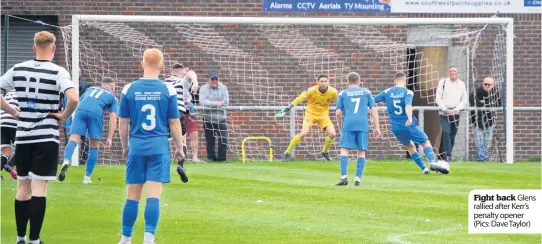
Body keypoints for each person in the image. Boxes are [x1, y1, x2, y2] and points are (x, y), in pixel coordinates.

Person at [0, 31, 79, 244]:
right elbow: (73, 98)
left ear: (34, 47)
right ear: (53, 49)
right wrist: (63, 116)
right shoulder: (58, 71)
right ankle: (34, 240)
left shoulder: (18, 68)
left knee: (22, 187)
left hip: (23, 136)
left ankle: (20, 239)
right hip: (46, 136)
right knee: (39, 189)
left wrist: (13, 112)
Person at [117, 48, 184, 244]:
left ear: (142, 64)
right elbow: (174, 122)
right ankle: (148, 238)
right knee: (153, 195)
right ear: (162, 66)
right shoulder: (168, 89)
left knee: (132, 196)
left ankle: (125, 238)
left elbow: (123, 122)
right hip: (159, 148)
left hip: (137, 146)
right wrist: (180, 148)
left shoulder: (129, 89)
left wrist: (125, 145)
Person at [374, 72, 448, 174]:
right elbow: (407, 105)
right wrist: (409, 118)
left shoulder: (387, 92)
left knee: (410, 147)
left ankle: (424, 169)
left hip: (395, 127)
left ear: (394, 80)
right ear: (405, 81)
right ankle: (432, 162)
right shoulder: (408, 92)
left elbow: (373, 100)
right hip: (408, 124)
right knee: (425, 141)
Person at [58, 77, 119, 184]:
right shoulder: (113, 98)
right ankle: (86, 178)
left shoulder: (90, 89)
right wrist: (109, 137)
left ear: (102, 85)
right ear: (112, 88)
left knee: (74, 138)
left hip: (80, 110)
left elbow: (79, 101)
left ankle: (66, 161)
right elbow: (113, 118)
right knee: (94, 145)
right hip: (95, 113)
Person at [277, 74, 338, 162]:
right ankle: (286, 153)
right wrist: (288, 107)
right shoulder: (311, 90)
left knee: (332, 134)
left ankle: (324, 152)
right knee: (303, 133)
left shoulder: (333, 92)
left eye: (325, 81)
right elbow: (299, 99)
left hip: (323, 116)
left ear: (328, 82)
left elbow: (340, 102)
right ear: (318, 82)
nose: (323, 83)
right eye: (321, 81)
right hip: (310, 114)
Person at [335, 72, 380, 186]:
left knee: (344, 149)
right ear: (359, 81)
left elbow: (338, 112)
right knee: (361, 151)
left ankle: (344, 177)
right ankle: (357, 179)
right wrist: (377, 127)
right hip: (362, 123)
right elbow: (374, 109)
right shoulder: (366, 92)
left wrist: (340, 126)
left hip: (349, 123)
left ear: (347, 82)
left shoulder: (343, 93)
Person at [164, 63, 196, 182]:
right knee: (181, 140)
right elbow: (191, 74)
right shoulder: (183, 81)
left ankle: (163, 170)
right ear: (183, 73)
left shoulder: (163, 82)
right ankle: (180, 166)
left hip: (164, 113)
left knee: (164, 140)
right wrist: (195, 83)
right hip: (178, 112)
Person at [435, 66, 468, 161]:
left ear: (457, 73)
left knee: (452, 134)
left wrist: (456, 110)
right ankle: (448, 155)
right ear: (449, 72)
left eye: (455, 71)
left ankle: (441, 155)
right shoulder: (443, 82)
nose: (453, 72)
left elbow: (464, 99)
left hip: (456, 113)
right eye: (451, 71)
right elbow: (438, 98)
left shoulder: (461, 84)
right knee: (446, 132)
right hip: (444, 113)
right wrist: (446, 109)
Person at [199, 72, 229, 162]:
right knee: (210, 140)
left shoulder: (223, 88)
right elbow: (202, 102)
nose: (214, 81)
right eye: (212, 79)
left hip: (221, 117)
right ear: (208, 80)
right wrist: (216, 104)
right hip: (208, 117)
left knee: (224, 138)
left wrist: (210, 103)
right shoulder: (203, 88)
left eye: (216, 79)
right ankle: (211, 158)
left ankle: (221, 159)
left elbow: (226, 102)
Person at [470, 77, 501, 162]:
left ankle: (485, 157)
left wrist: (485, 103)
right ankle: (481, 158)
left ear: (493, 85)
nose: (488, 86)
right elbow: (475, 103)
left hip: (489, 121)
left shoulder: (495, 92)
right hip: (477, 120)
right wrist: (489, 103)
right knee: (480, 141)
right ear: (483, 84)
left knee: (488, 141)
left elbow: (498, 104)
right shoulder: (476, 92)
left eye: (490, 84)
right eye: (486, 84)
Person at [0, 90, 19, 180]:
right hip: (14, 122)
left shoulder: (9, 93)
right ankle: (10, 165)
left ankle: (8, 165)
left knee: (7, 152)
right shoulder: (25, 91)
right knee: (25, 147)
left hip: (2, 122)